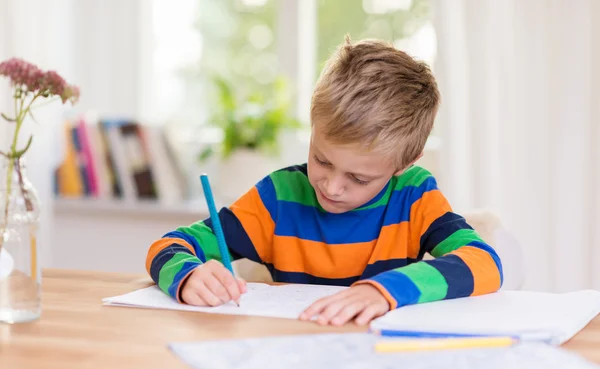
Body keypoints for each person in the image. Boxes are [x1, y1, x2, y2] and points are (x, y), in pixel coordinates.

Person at [145, 36, 503, 326]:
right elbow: (168, 246)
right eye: (321, 159)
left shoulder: (414, 196)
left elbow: (485, 263)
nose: (331, 187)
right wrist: (189, 276)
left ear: (404, 165)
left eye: (359, 178)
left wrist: (383, 291)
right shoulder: (279, 197)